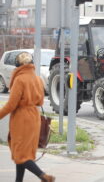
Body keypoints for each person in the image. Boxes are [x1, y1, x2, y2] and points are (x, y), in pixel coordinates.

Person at [0, 52, 55, 182]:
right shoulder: (37, 78)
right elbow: (40, 101)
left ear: (18, 65)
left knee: (21, 155)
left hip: (22, 119)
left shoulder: (19, 79)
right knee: (24, 153)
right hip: (34, 117)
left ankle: (43, 176)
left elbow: (11, 105)